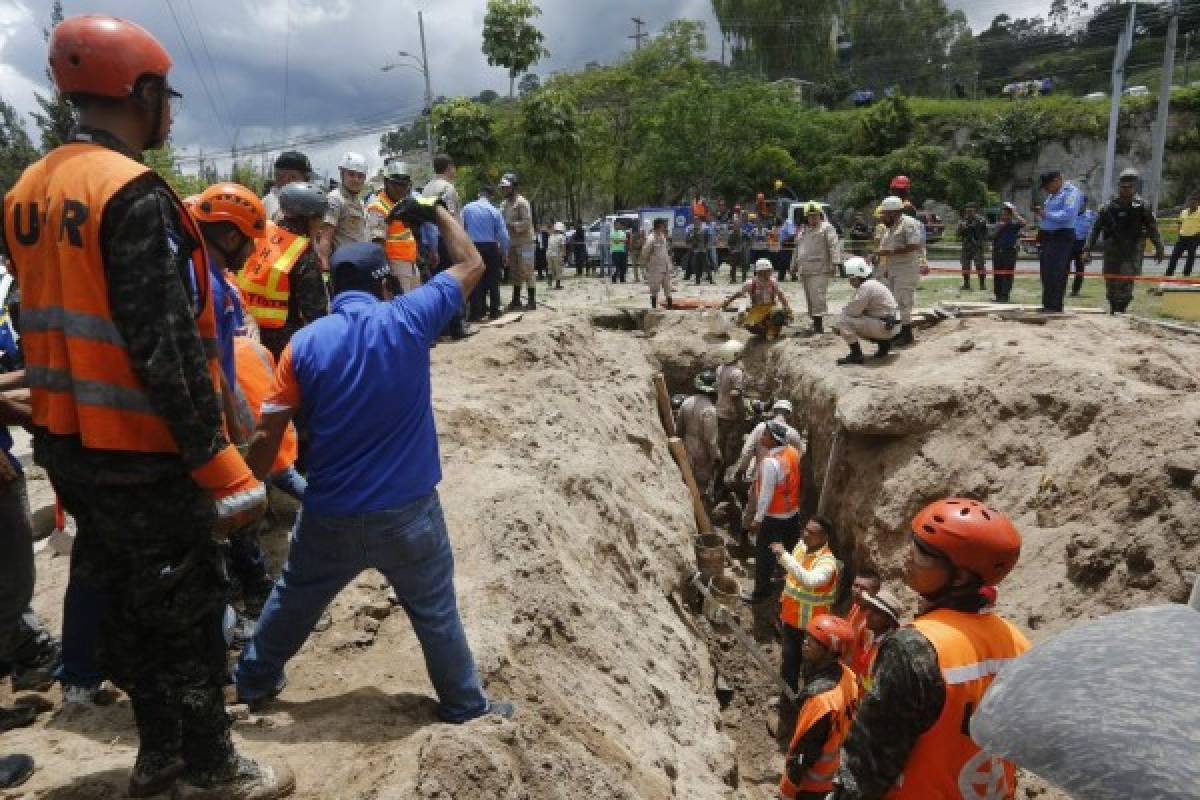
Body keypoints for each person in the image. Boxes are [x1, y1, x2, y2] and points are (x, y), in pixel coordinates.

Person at [1, 15, 288, 798]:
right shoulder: (129, 192)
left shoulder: (28, 187)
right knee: (189, 611)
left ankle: (158, 758)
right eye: (168, 99)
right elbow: (162, 345)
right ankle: (215, 768)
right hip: (143, 446)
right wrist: (220, 463)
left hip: (68, 442)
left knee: (129, 599)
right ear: (144, 92)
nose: (171, 115)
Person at [234, 203, 517, 726]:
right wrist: (437, 212)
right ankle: (464, 705)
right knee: (435, 612)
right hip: (409, 513)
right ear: (385, 286)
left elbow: (268, 434)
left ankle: (252, 682)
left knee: (295, 596)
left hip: (329, 513)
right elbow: (473, 263)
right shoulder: (410, 318)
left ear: (335, 291)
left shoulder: (302, 345)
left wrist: (243, 491)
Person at [838, 497, 1029, 800]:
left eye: (923, 553)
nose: (908, 556)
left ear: (961, 576)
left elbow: (866, 769)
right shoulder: (1017, 643)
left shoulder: (914, 648)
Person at [239, 181, 329, 359]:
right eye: (320, 219)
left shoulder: (261, 234)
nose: (321, 226)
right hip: (283, 342)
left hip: (245, 329)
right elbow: (316, 314)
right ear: (309, 219)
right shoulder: (303, 252)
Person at [778, 614, 858, 800]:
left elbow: (804, 755)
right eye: (807, 637)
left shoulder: (820, 702)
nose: (805, 643)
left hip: (810, 786)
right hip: (832, 775)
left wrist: (786, 791)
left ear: (830, 651)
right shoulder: (848, 677)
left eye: (813, 642)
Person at [769, 516, 838, 720]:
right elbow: (794, 576)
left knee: (810, 670)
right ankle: (788, 702)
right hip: (791, 622)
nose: (806, 534)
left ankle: (808, 711)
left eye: (812, 532)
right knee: (789, 664)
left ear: (824, 537)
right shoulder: (801, 546)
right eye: (806, 530)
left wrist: (784, 556)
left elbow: (809, 580)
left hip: (813, 632)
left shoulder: (828, 563)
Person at [1084, 169, 1164, 315]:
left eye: (1129, 187)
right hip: (1112, 250)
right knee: (1111, 279)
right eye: (1123, 186)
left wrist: (1159, 247)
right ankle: (1113, 306)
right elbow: (1095, 229)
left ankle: (1122, 308)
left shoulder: (1143, 206)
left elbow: (1152, 228)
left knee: (1126, 280)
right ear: (1118, 186)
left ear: (1134, 187)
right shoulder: (1108, 207)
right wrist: (1087, 248)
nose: (1125, 190)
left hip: (1132, 250)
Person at [743, 421, 803, 605]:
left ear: (774, 440)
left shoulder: (770, 462)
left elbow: (766, 494)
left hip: (773, 517)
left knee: (764, 555)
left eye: (766, 435)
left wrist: (757, 519)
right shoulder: (791, 452)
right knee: (789, 551)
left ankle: (761, 592)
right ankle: (786, 583)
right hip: (792, 513)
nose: (762, 438)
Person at [366, 161, 423, 296]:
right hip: (394, 266)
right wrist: (386, 275)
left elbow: (406, 233)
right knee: (402, 306)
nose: (400, 189)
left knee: (415, 303)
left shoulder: (401, 204)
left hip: (410, 262)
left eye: (404, 185)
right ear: (386, 183)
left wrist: (417, 256)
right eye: (396, 184)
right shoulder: (378, 207)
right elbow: (377, 245)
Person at [873, 196, 923, 347]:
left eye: (885, 213)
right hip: (894, 269)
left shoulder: (908, 223)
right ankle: (900, 331)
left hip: (906, 269)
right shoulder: (891, 226)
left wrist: (890, 251)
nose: (882, 217)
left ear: (894, 212)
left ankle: (907, 335)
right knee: (893, 302)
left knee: (903, 302)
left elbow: (914, 245)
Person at [836, 256, 900, 365]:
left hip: (885, 327)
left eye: (850, 278)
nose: (850, 281)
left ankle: (856, 355)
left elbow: (852, 311)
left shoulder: (866, 287)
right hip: (891, 325)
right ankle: (884, 345)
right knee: (861, 317)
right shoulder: (873, 283)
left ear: (856, 277)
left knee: (844, 320)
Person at [791, 203, 842, 335]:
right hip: (805, 269)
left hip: (820, 268)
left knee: (817, 296)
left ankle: (819, 326)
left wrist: (835, 262)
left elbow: (834, 245)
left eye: (815, 216)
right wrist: (793, 265)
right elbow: (797, 249)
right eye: (810, 216)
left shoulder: (827, 228)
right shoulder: (803, 230)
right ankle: (814, 322)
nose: (813, 218)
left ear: (820, 215)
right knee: (809, 297)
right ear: (806, 217)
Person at [1036, 170, 1083, 312]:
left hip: (1061, 236)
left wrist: (1046, 214)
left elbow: (1068, 214)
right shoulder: (1052, 195)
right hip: (1048, 236)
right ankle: (1047, 304)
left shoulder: (1071, 193)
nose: (1046, 189)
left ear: (1057, 180)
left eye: (1047, 186)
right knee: (1046, 272)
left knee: (1057, 271)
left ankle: (1055, 305)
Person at [462, 185, 509, 320]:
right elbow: (503, 236)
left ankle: (477, 312)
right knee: (493, 279)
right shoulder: (494, 211)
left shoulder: (467, 208)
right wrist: (504, 253)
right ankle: (494, 311)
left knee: (476, 279)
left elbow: (460, 227)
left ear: (479, 194)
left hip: (473, 247)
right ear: (491, 196)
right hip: (491, 247)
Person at [318, 151, 369, 272]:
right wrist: (324, 264)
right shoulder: (335, 199)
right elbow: (326, 236)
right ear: (342, 175)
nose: (356, 179)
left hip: (359, 262)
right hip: (343, 265)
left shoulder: (360, 202)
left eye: (360, 176)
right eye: (351, 174)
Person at [676, 370, 721, 500]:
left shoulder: (686, 402)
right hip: (702, 452)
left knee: (685, 479)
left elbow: (679, 428)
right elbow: (710, 440)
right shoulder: (709, 410)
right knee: (700, 485)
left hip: (686, 445)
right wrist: (716, 456)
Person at [721, 259, 793, 339]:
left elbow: (781, 295)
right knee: (750, 325)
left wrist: (787, 310)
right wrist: (727, 302)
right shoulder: (750, 283)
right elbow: (738, 294)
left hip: (771, 308)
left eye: (769, 271)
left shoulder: (773, 282)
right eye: (766, 271)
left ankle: (774, 330)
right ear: (759, 272)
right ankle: (765, 330)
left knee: (778, 314)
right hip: (757, 309)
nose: (769, 273)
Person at [848, 587, 901, 692]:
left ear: (888, 620)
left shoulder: (887, 650)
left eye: (876, 612)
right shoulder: (876, 643)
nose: (869, 614)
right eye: (870, 608)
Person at [500, 172, 536, 310]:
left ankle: (531, 301)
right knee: (514, 272)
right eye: (503, 187)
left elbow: (527, 222)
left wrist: (513, 225)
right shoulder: (504, 204)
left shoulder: (522, 202)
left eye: (507, 187)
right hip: (512, 243)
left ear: (514, 187)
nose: (504, 190)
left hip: (525, 243)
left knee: (527, 271)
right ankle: (516, 300)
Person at [714, 340, 746, 472]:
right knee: (732, 445)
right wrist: (742, 415)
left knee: (720, 442)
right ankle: (727, 470)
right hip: (731, 415)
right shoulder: (736, 373)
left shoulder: (720, 368)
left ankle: (718, 468)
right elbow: (736, 395)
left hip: (719, 411)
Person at [261, 150, 311, 223]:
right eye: (280, 176)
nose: (285, 181)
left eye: (293, 177)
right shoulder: (265, 203)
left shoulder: (313, 206)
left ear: (306, 180)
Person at [992, 203, 1025, 304]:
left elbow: (1023, 223)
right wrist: (998, 229)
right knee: (997, 274)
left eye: (1006, 214)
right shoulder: (998, 225)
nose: (1004, 216)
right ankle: (997, 295)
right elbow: (991, 237)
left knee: (1007, 274)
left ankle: (1005, 296)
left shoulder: (1014, 225)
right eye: (1002, 214)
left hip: (1009, 252)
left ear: (1010, 216)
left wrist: (1014, 212)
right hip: (997, 252)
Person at [642, 218, 674, 309]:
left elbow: (665, 251)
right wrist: (649, 261)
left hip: (666, 267)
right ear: (659, 226)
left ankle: (670, 307)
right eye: (663, 225)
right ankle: (654, 308)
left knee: (668, 288)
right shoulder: (651, 238)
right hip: (656, 268)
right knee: (654, 289)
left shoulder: (663, 236)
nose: (664, 227)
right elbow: (645, 252)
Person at [1165, 193, 1199, 277]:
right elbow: (1180, 222)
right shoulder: (1183, 212)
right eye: (1190, 202)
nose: (1192, 204)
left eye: (1194, 202)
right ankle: (1168, 273)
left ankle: (1186, 274)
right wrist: (1179, 231)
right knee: (1174, 255)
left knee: (1190, 257)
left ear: (1198, 203)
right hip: (1182, 237)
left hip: (1194, 237)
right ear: (1188, 203)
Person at [957, 203, 988, 291]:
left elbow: (985, 232)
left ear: (975, 211)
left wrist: (984, 243)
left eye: (971, 211)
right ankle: (966, 284)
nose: (969, 213)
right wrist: (962, 228)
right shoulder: (963, 221)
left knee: (980, 266)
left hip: (977, 246)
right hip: (966, 246)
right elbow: (958, 233)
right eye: (967, 211)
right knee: (965, 266)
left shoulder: (981, 220)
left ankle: (982, 284)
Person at [1070, 199, 1097, 296]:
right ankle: (1060, 289)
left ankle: (1075, 291)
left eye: (1083, 203)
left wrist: (1089, 248)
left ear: (1085, 204)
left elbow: (1094, 229)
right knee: (1064, 268)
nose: (1080, 205)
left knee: (1080, 269)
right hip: (1069, 243)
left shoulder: (1091, 215)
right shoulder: (1070, 213)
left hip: (1082, 244)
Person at [686, 216, 711, 283]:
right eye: (695, 220)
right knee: (696, 265)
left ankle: (710, 278)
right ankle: (697, 280)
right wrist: (691, 243)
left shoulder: (704, 229)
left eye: (697, 220)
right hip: (695, 250)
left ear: (700, 221)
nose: (696, 221)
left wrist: (706, 247)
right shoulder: (691, 229)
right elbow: (688, 239)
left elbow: (707, 239)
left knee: (706, 264)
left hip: (703, 249)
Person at [547, 222, 566, 290]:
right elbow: (563, 247)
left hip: (548, 254)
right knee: (558, 270)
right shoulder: (562, 236)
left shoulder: (551, 236)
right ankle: (558, 285)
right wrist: (563, 256)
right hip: (556, 255)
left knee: (550, 269)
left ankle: (549, 285)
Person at [610, 219, 630, 283]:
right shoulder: (612, 233)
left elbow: (625, 240)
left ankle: (622, 279)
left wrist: (619, 240)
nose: (617, 226)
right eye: (616, 225)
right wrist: (620, 240)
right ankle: (614, 279)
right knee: (615, 266)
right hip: (615, 251)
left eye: (618, 225)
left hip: (622, 251)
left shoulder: (622, 232)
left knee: (622, 266)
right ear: (614, 226)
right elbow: (614, 241)